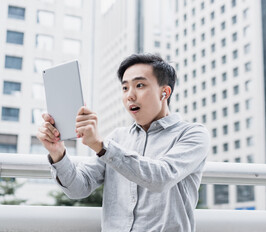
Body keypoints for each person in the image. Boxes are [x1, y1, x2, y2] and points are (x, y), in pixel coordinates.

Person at [37, 53, 210, 232]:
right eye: (125, 88)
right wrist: (57, 153)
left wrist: (100, 146)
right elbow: (78, 188)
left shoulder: (193, 134)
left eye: (140, 85)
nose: (130, 96)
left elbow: (161, 177)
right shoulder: (117, 138)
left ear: (164, 92)